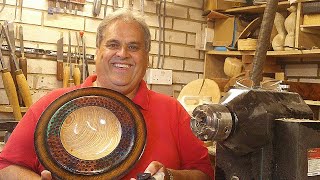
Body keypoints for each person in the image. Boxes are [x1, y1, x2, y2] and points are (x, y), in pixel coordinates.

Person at [0, 9, 214, 180]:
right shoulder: (52, 106)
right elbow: (5, 167)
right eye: (113, 44)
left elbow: (205, 173)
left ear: (147, 57)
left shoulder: (172, 111)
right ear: (98, 51)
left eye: (133, 46)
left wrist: (170, 177)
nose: (123, 54)